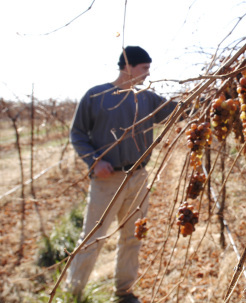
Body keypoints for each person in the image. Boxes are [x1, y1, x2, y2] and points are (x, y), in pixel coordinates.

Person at [66, 46, 177, 303]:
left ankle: (124, 292)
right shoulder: (96, 96)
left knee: (133, 237)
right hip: (107, 180)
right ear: (127, 66)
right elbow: (78, 134)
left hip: (138, 178)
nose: (148, 75)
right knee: (92, 239)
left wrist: (212, 98)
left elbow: (176, 110)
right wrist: (94, 161)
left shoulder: (146, 98)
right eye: (144, 69)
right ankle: (72, 293)